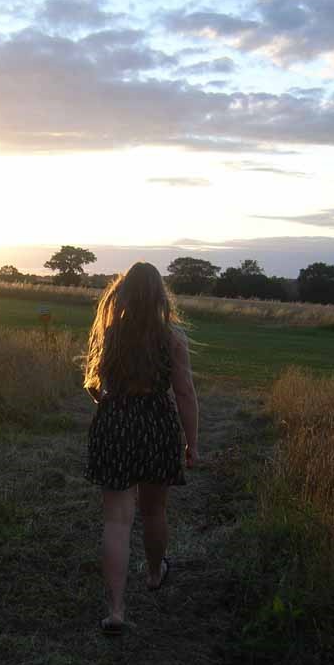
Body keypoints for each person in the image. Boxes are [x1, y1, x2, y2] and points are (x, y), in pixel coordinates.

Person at [82, 262, 199, 635]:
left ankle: (116, 610)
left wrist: (113, 408)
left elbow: (96, 386)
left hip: (114, 421)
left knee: (116, 521)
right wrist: (191, 443)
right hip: (156, 425)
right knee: (153, 511)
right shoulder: (172, 338)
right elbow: (184, 393)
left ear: (125, 293)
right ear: (160, 297)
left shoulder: (111, 332)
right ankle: (153, 573)